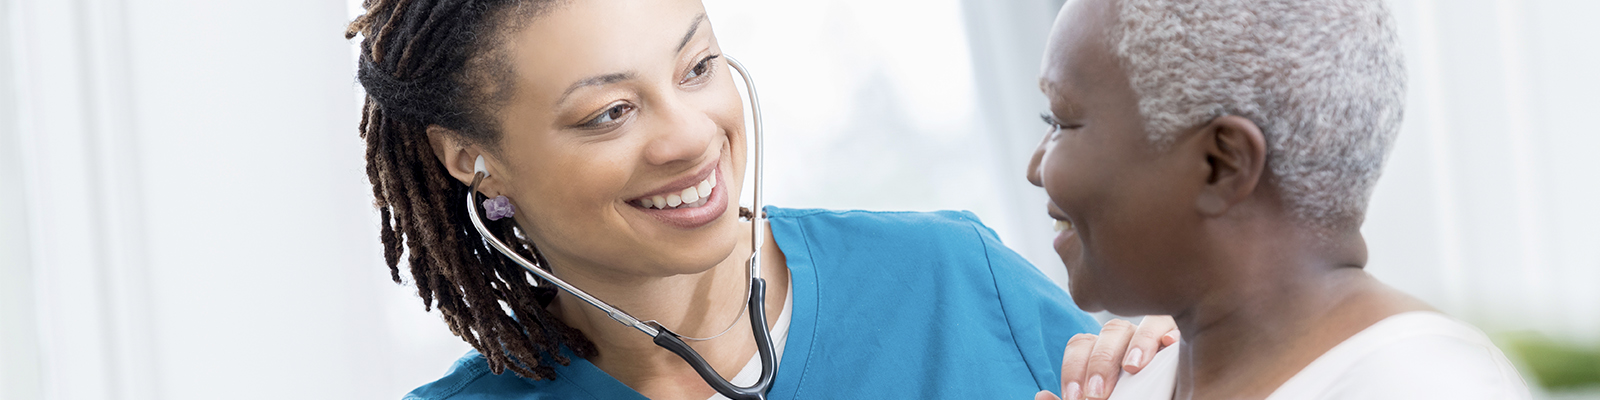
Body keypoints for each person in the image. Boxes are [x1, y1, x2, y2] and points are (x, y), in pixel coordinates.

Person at [344, 0, 1171, 399]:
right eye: (611, 113)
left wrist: (1200, 367)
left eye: (697, 68)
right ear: (472, 160)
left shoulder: (950, 280)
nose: (692, 137)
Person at [1025, 0, 1532, 399]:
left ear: (1221, 165)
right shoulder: (1135, 380)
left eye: (1062, 123)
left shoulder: (1423, 387)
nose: (1034, 168)